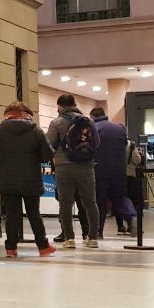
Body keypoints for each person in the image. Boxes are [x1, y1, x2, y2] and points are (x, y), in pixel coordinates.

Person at [0, 103, 56, 258]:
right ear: (26, 113)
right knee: (34, 214)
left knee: (11, 214)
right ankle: (43, 247)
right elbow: (46, 155)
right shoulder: (35, 130)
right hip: (31, 179)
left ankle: (11, 248)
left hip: (7, 179)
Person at [46, 94, 101, 249]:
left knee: (65, 203)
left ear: (60, 106)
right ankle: (92, 238)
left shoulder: (56, 122)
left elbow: (49, 144)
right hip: (86, 166)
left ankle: (69, 239)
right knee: (90, 202)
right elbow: (97, 143)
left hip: (64, 167)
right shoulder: (88, 121)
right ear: (75, 104)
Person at [90, 107, 136, 237]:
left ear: (92, 117)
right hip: (119, 170)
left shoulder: (94, 128)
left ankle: (98, 231)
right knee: (120, 197)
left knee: (99, 200)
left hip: (99, 170)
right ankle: (131, 218)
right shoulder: (119, 129)